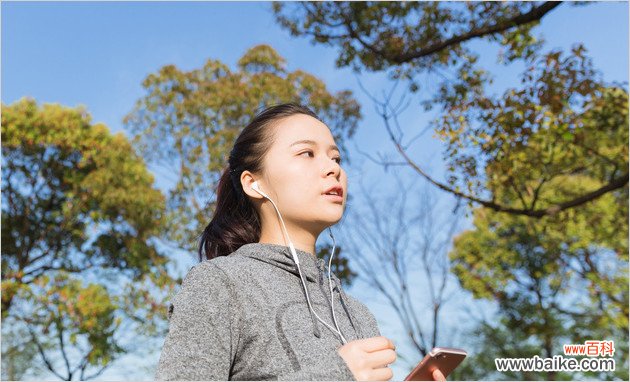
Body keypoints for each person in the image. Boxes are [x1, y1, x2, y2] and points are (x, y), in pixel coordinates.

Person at [154, 103, 446, 381]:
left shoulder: (355, 311)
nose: (334, 169)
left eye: (336, 158)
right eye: (307, 153)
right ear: (253, 183)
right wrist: (335, 374)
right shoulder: (220, 283)